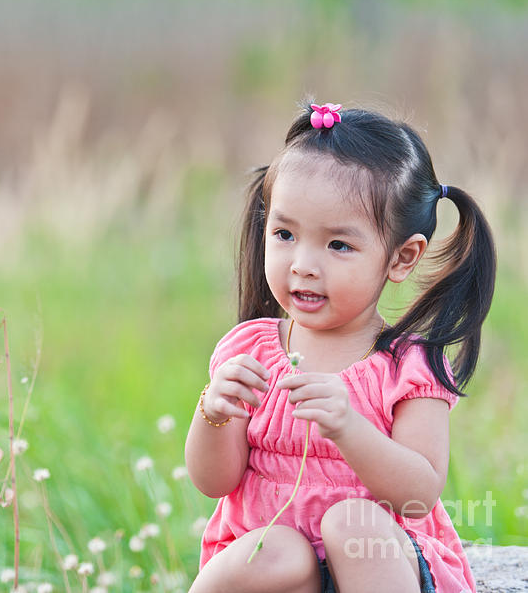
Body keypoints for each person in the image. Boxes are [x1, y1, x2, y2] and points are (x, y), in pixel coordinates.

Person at [185, 102, 496, 593]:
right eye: (285, 234)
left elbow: (418, 494)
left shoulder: (407, 366)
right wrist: (215, 411)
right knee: (274, 548)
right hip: (281, 573)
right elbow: (213, 483)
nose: (303, 264)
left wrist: (350, 427)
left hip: (379, 563)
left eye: (338, 245)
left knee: (352, 524)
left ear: (401, 257)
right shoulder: (250, 350)